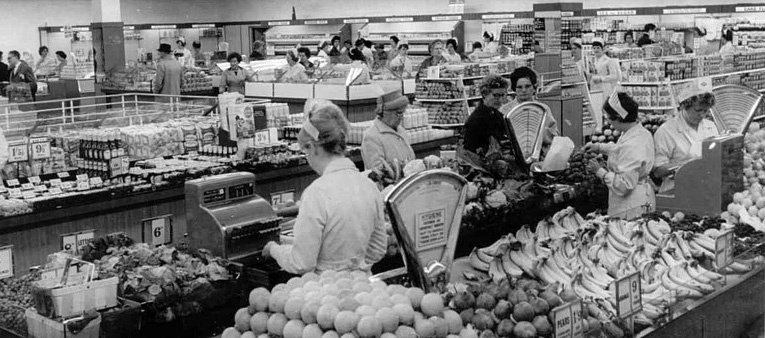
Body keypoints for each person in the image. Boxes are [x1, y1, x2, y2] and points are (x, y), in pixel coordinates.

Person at [262, 99, 388, 274]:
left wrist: (274, 249)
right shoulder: (368, 186)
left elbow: (302, 263)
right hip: (364, 289)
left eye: (305, 151)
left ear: (312, 147)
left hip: (325, 292)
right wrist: (354, 266)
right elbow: (378, 248)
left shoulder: (316, 193)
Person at [584, 91, 655, 219]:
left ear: (618, 117)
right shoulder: (639, 132)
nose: (608, 122)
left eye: (607, 118)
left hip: (630, 206)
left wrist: (600, 171)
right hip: (640, 197)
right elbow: (621, 149)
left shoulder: (633, 144)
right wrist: (599, 147)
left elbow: (623, 185)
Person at [652, 80, 719, 193]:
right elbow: (658, 171)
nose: (702, 115)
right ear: (684, 106)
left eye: (706, 111)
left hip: (705, 187)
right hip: (676, 190)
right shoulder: (666, 132)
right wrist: (686, 165)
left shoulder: (710, 127)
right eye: (697, 110)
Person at [463, 74, 526, 171]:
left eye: (502, 95)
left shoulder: (496, 114)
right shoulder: (476, 119)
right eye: (495, 95)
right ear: (485, 94)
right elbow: (469, 152)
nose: (499, 99)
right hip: (483, 169)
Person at [499, 66, 558, 158]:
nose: (523, 90)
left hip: (539, 157)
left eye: (527, 86)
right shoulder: (505, 110)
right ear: (514, 89)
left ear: (534, 87)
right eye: (519, 87)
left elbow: (554, 135)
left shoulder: (543, 109)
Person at [361, 89, 415, 169]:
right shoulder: (372, 137)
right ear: (385, 112)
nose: (401, 117)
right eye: (398, 113)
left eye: (403, 113)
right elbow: (377, 172)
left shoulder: (401, 131)